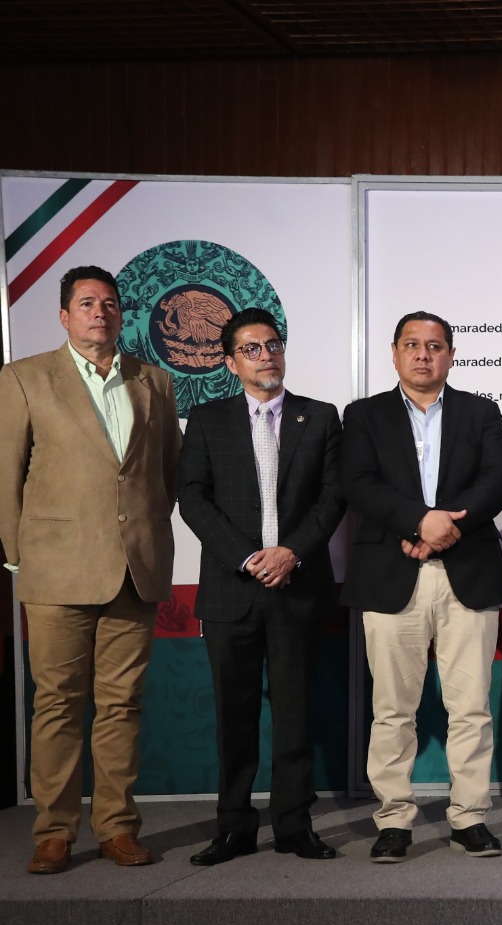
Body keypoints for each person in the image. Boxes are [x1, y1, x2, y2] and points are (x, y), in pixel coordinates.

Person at [0, 265, 182, 874]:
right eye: (85, 303)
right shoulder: (24, 378)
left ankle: (117, 827)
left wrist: (145, 538)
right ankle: (53, 832)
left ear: (120, 313)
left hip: (135, 569)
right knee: (56, 703)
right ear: (63, 316)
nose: (99, 313)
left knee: (121, 705)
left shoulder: (155, 380)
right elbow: (6, 473)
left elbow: (167, 474)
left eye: (108, 303)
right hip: (55, 569)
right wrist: (17, 554)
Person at [341, 311, 502, 864]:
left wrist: (445, 528)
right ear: (394, 353)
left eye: (435, 346)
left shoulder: (481, 411)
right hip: (391, 574)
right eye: (412, 345)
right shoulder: (363, 415)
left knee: (471, 708)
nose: (423, 354)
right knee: (392, 709)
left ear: (451, 355)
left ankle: (470, 818)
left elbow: (497, 482)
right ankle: (394, 820)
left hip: (468, 572)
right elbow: (358, 484)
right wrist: (419, 522)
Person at [178, 308, 347, 865]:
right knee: (235, 715)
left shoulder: (319, 417)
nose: (265, 356)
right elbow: (192, 498)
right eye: (251, 349)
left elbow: (333, 496)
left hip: (297, 585)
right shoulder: (208, 420)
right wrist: (247, 557)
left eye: (272, 345)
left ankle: (295, 825)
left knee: (296, 714)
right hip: (232, 590)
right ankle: (234, 827)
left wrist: (291, 552)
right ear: (230, 363)